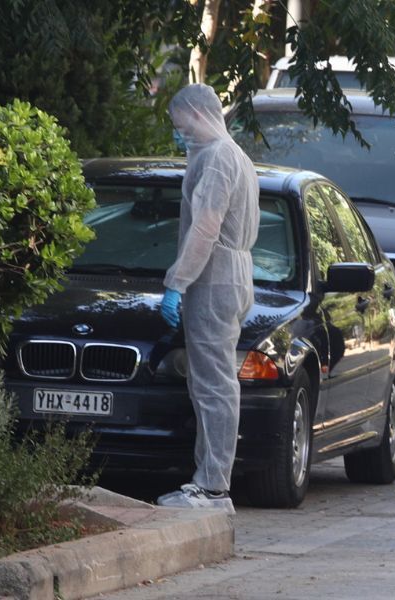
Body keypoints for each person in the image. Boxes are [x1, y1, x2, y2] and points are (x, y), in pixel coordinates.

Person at [156, 83, 260, 514]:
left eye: (181, 125)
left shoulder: (217, 158)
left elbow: (205, 228)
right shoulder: (235, 155)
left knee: (214, 384)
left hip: (214, 280)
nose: (180, 135)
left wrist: (177, 282)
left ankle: (214, 487)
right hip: (229, 278)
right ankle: (207, 479)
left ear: (198, 114)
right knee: (209, 382)